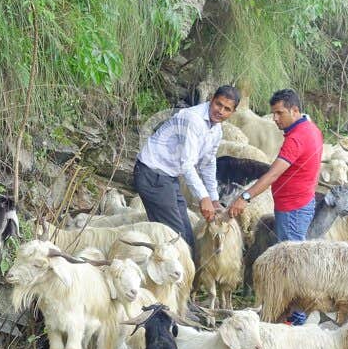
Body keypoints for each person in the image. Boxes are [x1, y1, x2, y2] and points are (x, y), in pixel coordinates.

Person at [228, 89, 323, 323]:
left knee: (291, 265)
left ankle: (295, 319)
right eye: (273, 114)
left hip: (293, 209)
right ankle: (291, 315)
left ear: (295, 110)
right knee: (293, 261)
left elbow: (272, 175)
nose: (275, 119)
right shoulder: (311, 129)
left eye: (280, 113)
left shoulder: (296, 139)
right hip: (301, 203)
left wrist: (245, 197)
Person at [133, 85, 238, 258]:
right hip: (152, 174)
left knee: (187, 236)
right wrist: (203, 198)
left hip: (169, 177)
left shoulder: (216, 129)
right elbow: (187, 164)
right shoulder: (193, 119)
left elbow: (208, 163)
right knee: (176, 239)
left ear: (232, 113)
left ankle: (189, 280)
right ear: (211, 100)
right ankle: (174, 279)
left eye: (227, 109)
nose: (220, 111)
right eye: (218, 104)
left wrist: (214, 198)